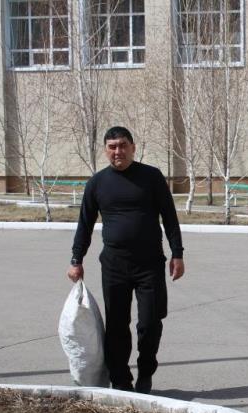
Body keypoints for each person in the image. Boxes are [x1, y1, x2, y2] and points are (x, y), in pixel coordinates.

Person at [67, 126, 184, 395]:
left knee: (150, 323)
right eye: (112, 147)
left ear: (133, 147)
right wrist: (76, 259)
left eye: (122, 145)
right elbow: (84, 225)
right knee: (117, 325)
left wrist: (177, 253)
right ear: (105, 150)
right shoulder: (97, 183)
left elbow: (169, 217)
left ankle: (146, 373)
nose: (117, 151)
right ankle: (121, 381)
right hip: (114, 265)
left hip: (150, 264)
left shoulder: (151, 177)